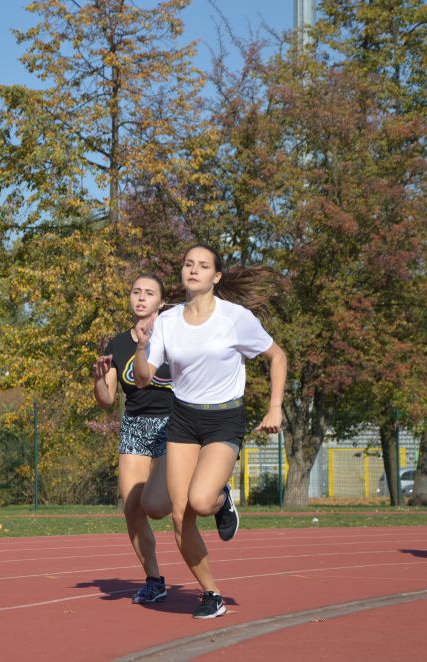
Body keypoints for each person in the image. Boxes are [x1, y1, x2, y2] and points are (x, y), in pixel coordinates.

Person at [133, 245, 286, 619]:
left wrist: (275, 406)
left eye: (203, 266)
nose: (194, 270)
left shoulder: (236, 318)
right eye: (188, 264)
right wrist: (141, 346)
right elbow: (142, 379)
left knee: (201, 502)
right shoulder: (167, 322)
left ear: (216, 277)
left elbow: (277, 356)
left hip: (224, 419)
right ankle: (211, 593)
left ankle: (221, 499)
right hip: (183, 418)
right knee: (177, 513)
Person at [93, 274, 174, 604]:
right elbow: (106, 400)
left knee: (158, 508)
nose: (141, 297)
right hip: (135, 426)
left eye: (149, 293)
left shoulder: (176, 336)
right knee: (132, 509)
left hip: (175, 424)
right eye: (136, 292)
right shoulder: (118, 344)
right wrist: (99, 380)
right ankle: (154, 580)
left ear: (161, 301)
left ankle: (208, 486)